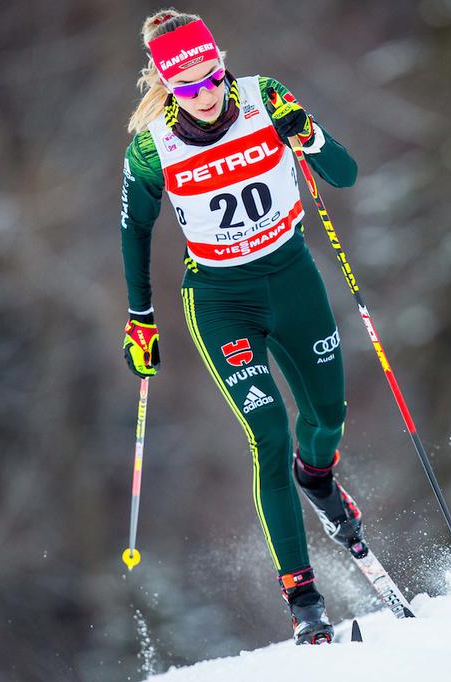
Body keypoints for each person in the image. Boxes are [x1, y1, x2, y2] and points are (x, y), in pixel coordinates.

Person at [117, 8, 363, 645]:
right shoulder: (152, 146)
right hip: (222, 300)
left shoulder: (265, 97)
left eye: (212, 77)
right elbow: (133, 229)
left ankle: (319, 477)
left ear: (222, 64)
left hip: (292, 277)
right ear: (167, 87)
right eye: (187, 87)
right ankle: (304, 598)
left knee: (327, 417)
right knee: (270, 435)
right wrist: (140, 318)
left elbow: (345, 173)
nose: (205, 95)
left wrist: (304, 133)